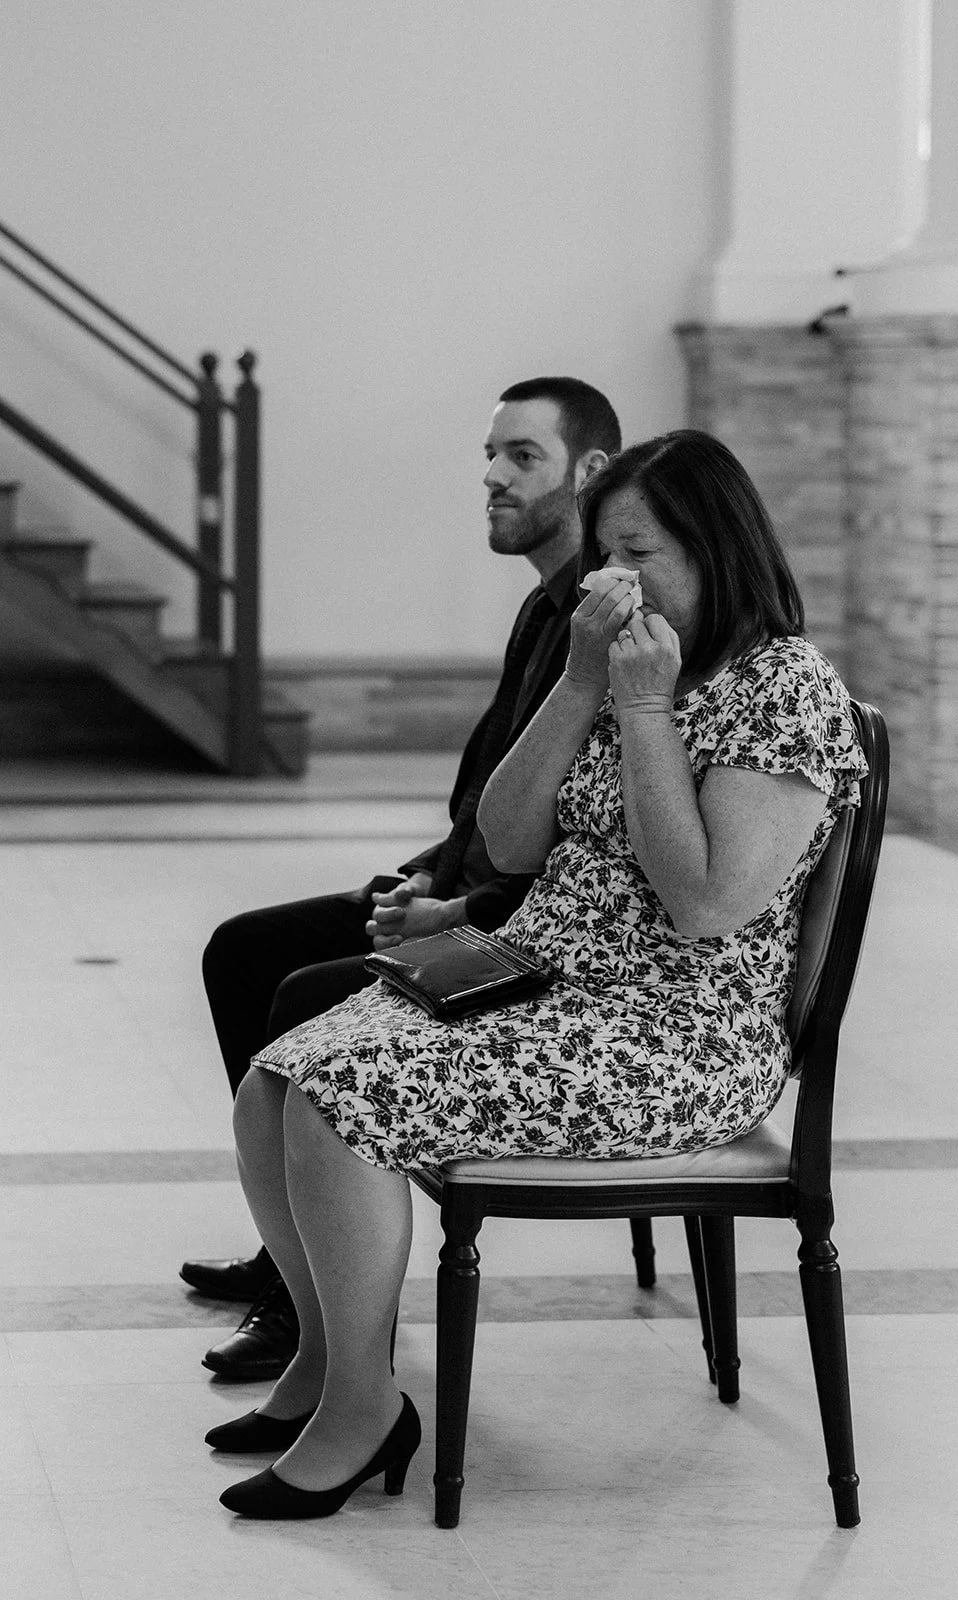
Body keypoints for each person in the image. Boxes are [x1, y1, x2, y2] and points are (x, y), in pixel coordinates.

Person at [211, 428, 868, 1519]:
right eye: (604, 552)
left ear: (716, 548)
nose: (612, 580)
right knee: (274, 1076)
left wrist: (648, 713)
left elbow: (706, 905)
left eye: (639, 551)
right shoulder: (624, 657)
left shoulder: (781, 688)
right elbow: (509, 845)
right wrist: (575, 684)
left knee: (335, 1104)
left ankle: (365, 1413)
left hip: (673, 1030)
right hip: (547, 976)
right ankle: (329, 1361)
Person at [180, 376, 622, 1379]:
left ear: (590, 473)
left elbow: (579, 845)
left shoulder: (595, 632)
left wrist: (452, 909)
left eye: (522, 458)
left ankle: (328, 1309)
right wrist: (419, 877)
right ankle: (289, 1254)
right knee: (241, 949)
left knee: (300, 994)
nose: (491, 478)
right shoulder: (539, 613)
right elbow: (487, 802)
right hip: (460, 894)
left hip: (515, 931)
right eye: (490, 455)